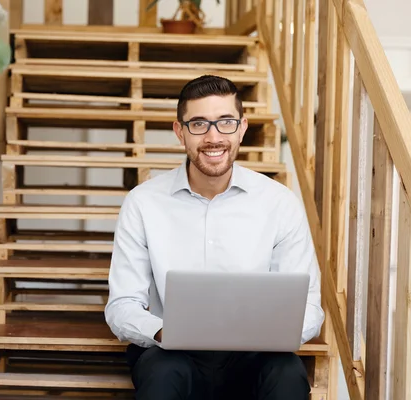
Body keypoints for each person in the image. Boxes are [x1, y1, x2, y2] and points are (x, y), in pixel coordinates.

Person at [104, 75, 325, 400]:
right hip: (171, 354)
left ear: (242, 127)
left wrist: (271, 334)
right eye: (198, 124)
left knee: (288, 373)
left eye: (225, 123)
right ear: (180, 132)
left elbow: (308, 306)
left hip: (255, 356)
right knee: (163, 373)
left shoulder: (279, 203)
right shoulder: (143, 202)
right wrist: (164, 331)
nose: (213, 137)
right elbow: (122, 304)